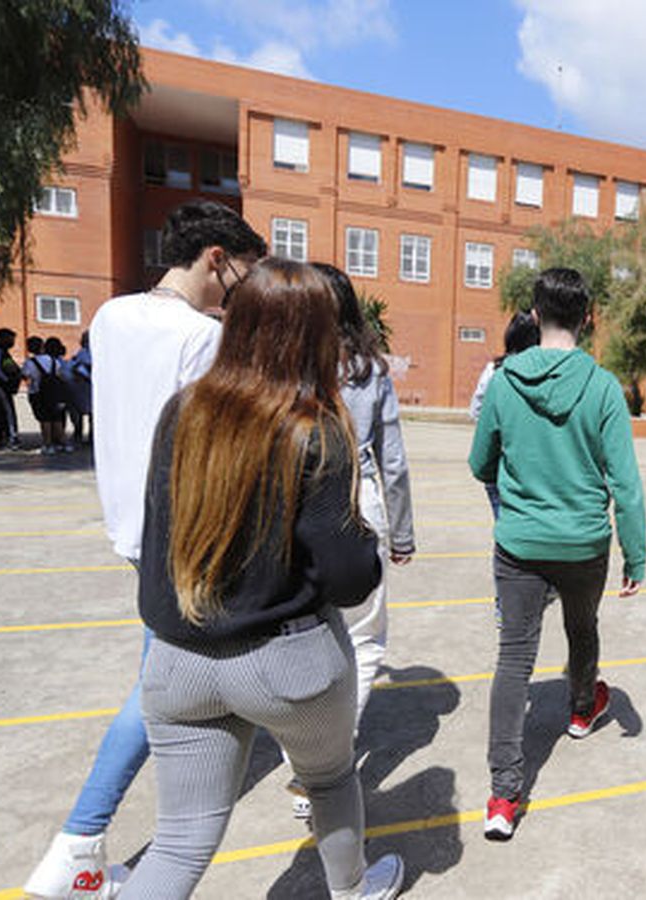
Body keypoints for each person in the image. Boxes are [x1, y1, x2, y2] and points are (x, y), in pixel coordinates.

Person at [119, 259, 402, 900]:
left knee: (179, 841)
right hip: (287, 664)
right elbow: (350, 577)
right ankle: (353, 889)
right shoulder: (314, 429)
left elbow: (162, 529)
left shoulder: (182, 412)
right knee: (329, 780)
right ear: (314, 338)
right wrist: (364, 537)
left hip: (179, 660)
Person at [23, 199, 266, 900]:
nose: (243, 292)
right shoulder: (201, 339)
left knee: (162, 678)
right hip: (184, 532)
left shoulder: (111, 316)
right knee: (158, 688)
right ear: (215, 259)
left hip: (126, 522)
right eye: (242, 275)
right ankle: (79, 840)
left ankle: (87, 842)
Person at [469, 268, 646, 841]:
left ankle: (502, 795)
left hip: (519, 541)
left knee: (513, 659)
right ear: (589, 318)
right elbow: (626, 484)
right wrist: (636, 556)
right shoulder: (602, 388)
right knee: (581, 626)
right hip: (584, 543)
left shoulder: (502, 382)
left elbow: (479, 463)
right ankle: (580, 707)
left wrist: (518, 481)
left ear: (533, 313)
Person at [271, 263, 417, 819]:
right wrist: (402, 533)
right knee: (364, 642)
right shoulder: (367, 370)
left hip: (287, 504)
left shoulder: (279, 364)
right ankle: (321, 771)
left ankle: (301, 759)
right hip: (356, 501)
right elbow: (394, 462)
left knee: (295, 632)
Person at [469, 310, 541, 518]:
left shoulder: (495, 370)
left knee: (505, 531)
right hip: (534, 467)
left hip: (501, 466)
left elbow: (475, 409)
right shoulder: (546, 374)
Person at [23, 336, 72, 454]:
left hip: (38, 393)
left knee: (44, 420)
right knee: (57, 419)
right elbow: (60, 374)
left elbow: (26, 376)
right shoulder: (53, 361)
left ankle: (48, 444)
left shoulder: (30, 362)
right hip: (54, 394)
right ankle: (64, 443)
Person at [68, 331, 93, 446]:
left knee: (80, 413)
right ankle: (90, 436)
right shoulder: (85, 352)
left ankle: (80, 435)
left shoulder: (82, 353)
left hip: (83, 385)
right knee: (89, 413)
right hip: (86, 385)